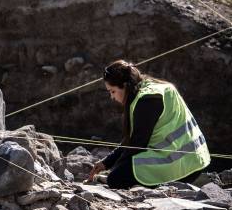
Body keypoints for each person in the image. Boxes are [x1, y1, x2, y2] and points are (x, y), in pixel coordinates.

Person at [89, 60, 210, 189]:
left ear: (125, 85)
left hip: (182, 165)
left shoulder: (147, 100)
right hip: (196, 158)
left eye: (112, 91)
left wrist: (114, 171)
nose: (112, 97)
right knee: (119, 173)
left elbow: (137, 144)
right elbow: (132, 140)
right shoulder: (153, 87)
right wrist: (106, 163)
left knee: (116, 179)